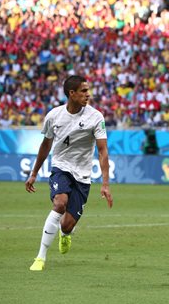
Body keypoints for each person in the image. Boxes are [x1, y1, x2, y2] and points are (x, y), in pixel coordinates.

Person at [25, 75, 113, 271]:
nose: (88, 94)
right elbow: (46, 145)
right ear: (71, 93)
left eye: (88, 90)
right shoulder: (54, 116)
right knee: (59, 203)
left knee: (67, 225)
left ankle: (65, 234)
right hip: (61, 167)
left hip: (83, 175)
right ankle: (40, 257)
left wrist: (105, 184)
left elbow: (103, 151)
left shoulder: (95, 117)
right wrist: (34, 173)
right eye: (84, 91)